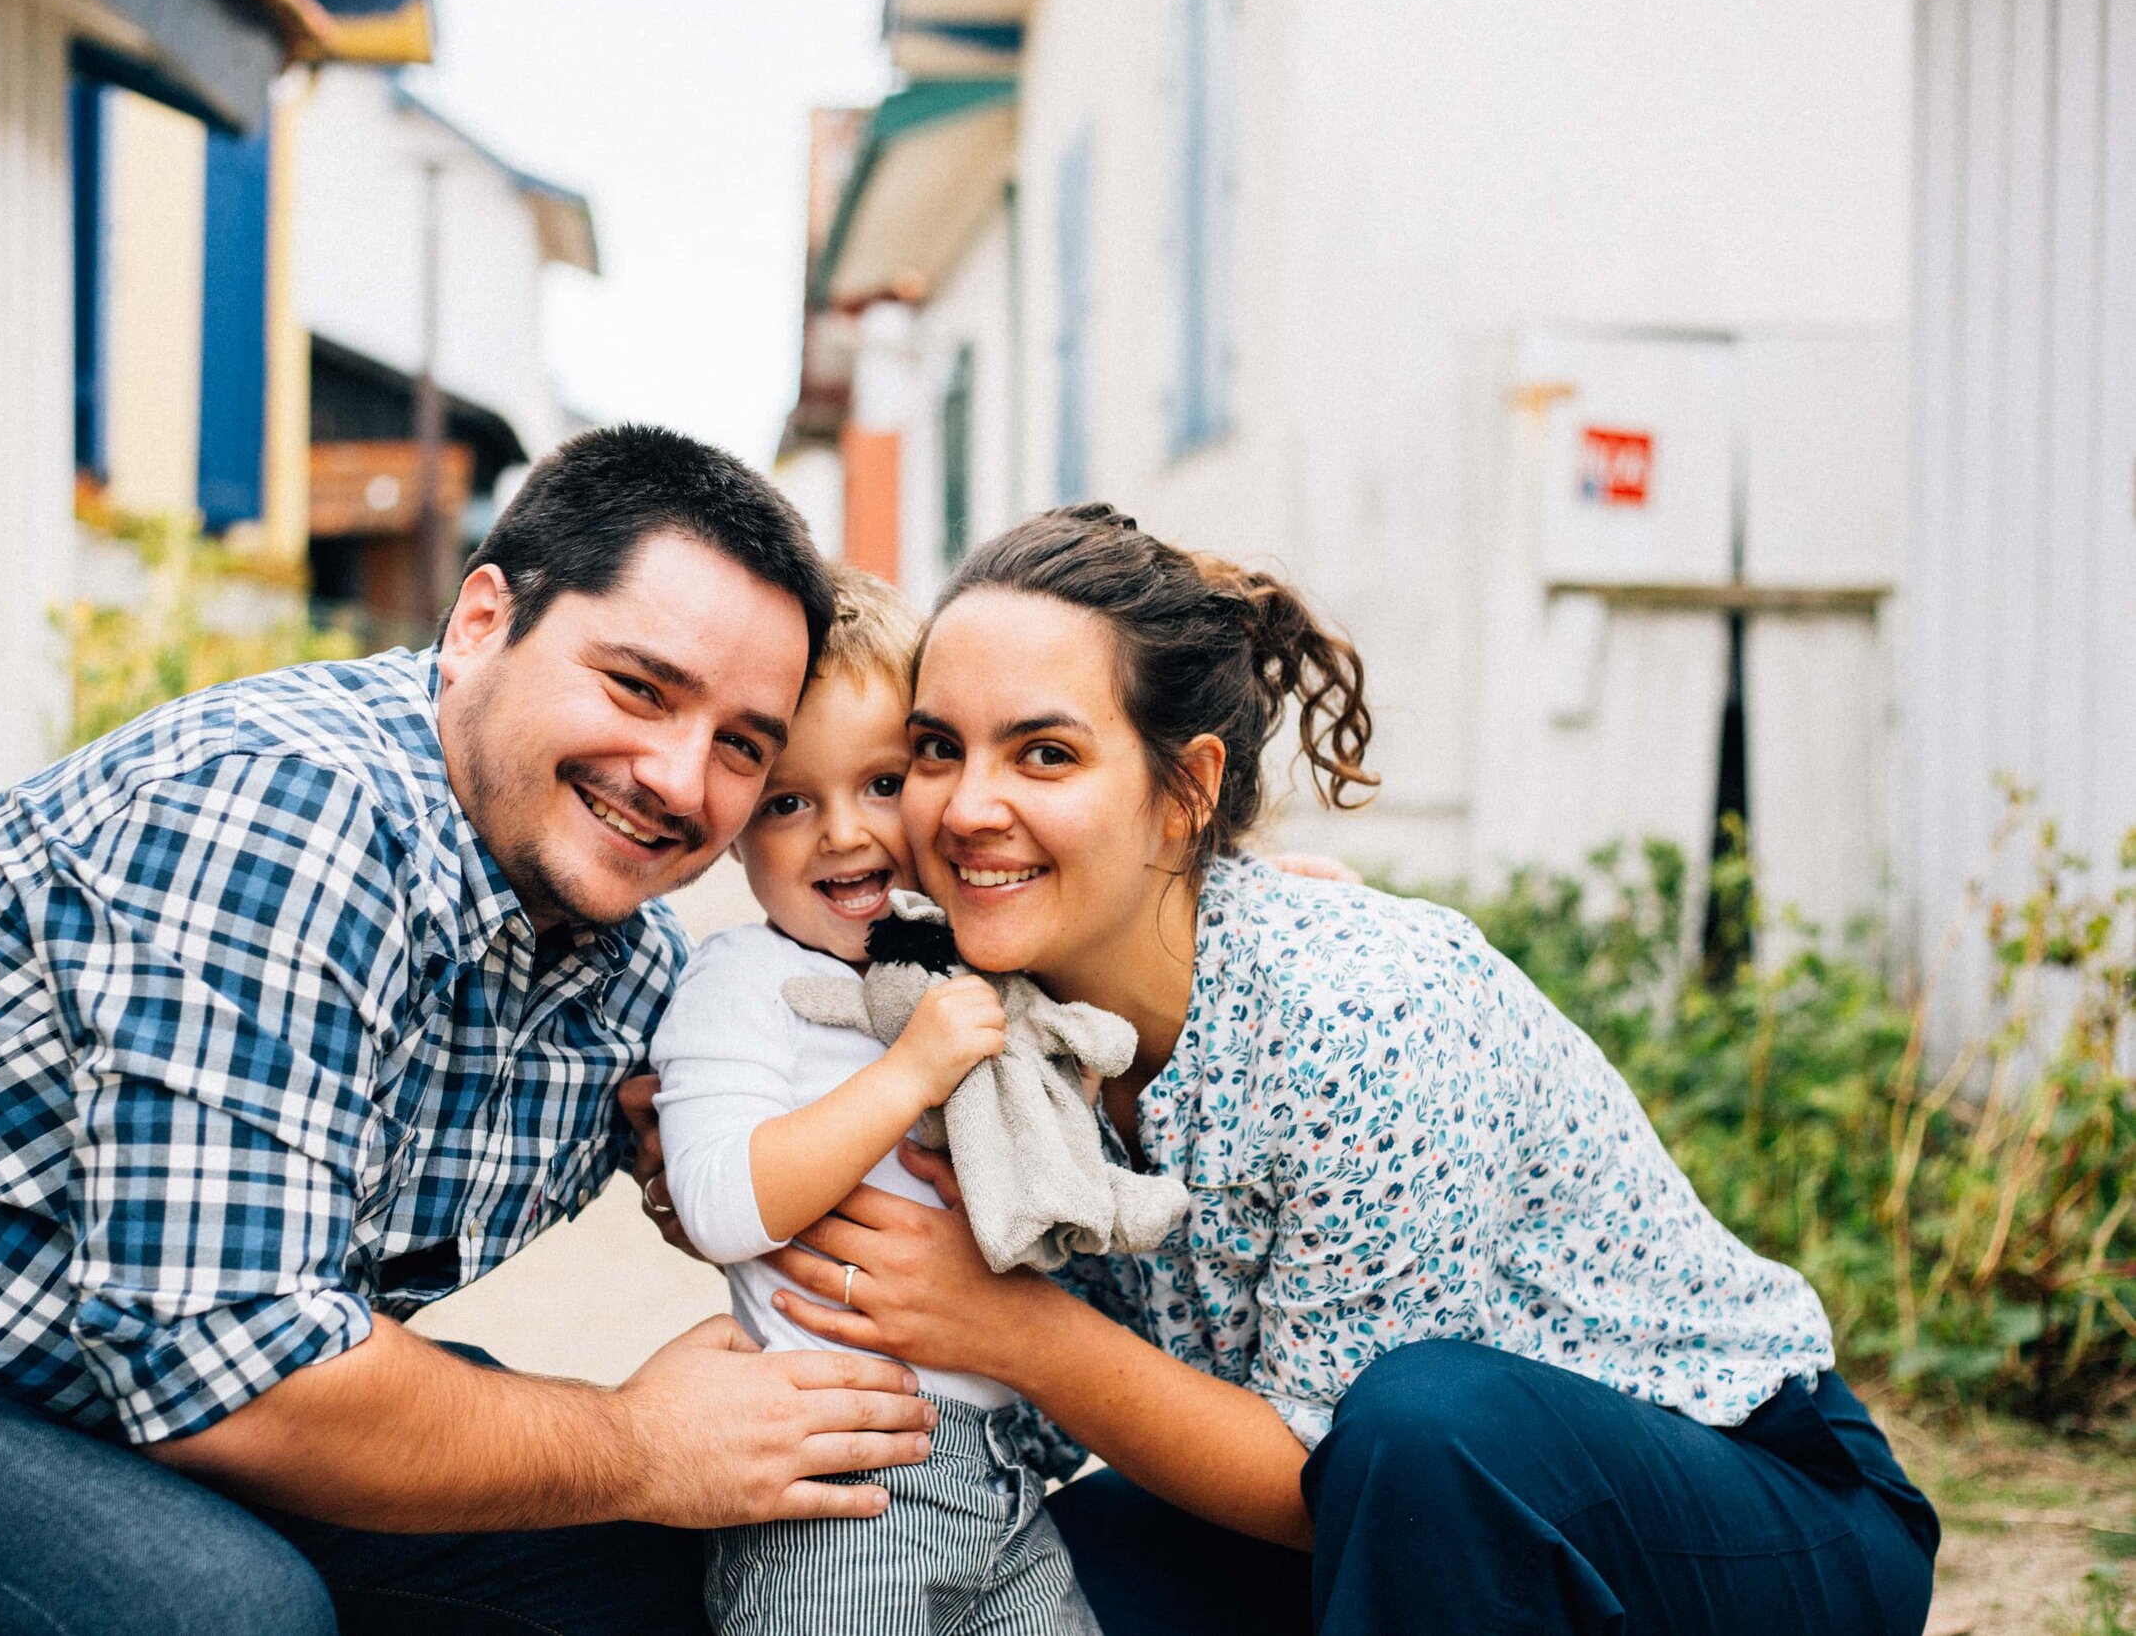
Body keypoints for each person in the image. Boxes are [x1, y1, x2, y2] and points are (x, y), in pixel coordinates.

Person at [0, 426, 940, 1636]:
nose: (677, 776)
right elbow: (235, 1373)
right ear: (481, 621)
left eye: (739, 746)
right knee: (213, 1610)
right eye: (639, 686)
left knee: (655, 1565)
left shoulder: (616, 959)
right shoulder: (277, 814)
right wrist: (642, 1440)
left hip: (86, 1413)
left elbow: (783, 1138)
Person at [751, 504, 1941, 1635]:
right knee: (1050, 1573)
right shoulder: (986, 1015)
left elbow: (1340, 1471)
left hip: (1752, 1505)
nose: (967, 807)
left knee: (1422, 1423)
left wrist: (1016, 1327)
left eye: (1044, 753)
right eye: (937, 751)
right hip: (1402, 1532)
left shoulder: (1358, 1009)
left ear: (1186, 790)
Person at [649, 567, 1102, 1636]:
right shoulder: (743, 979)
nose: (843, 833)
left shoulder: (977, 958)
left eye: (884, 782)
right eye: (788, 801)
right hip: (839, 1488)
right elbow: (715, 1200)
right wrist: (906, 1075)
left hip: (1004, 1479)